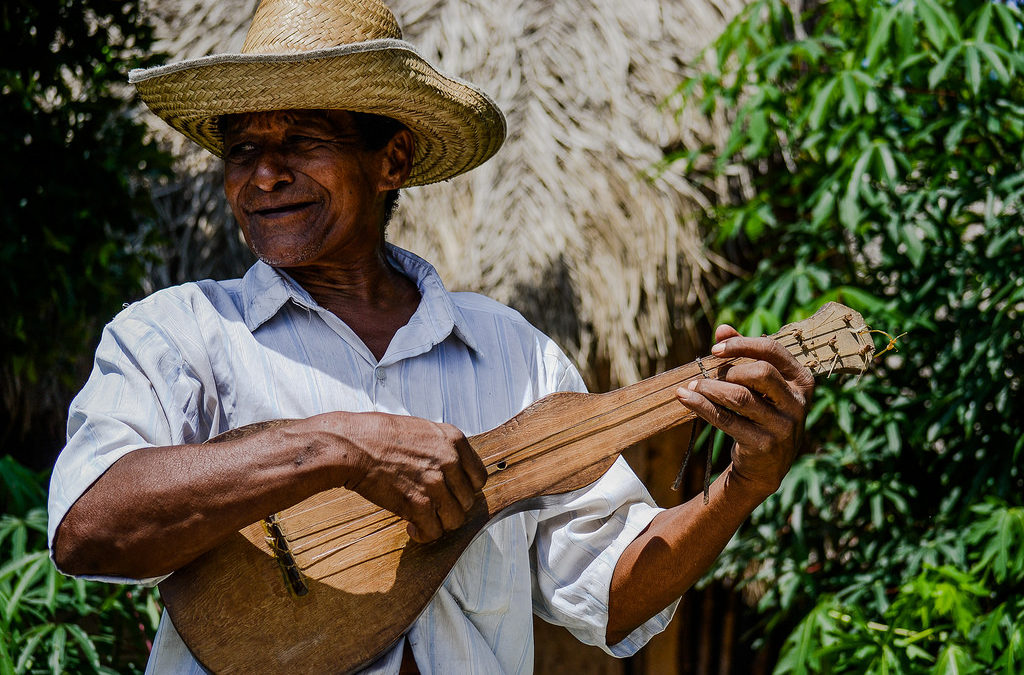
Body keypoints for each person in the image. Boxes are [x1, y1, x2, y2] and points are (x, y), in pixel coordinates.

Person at [47, 0, 815, 672]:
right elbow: (88, 526)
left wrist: (743, 484)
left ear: (394, 159)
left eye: (304, 141)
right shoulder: (179, 333)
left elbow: (609, 595)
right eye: (242, 148)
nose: (264, 174)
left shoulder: (516, 355)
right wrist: (341, 446)